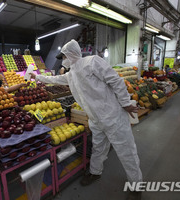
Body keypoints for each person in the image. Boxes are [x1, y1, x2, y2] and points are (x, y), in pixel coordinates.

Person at [30, 39, 142, 199]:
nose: (63, 61)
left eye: (63, 57)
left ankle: (136, 184)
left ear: (71, 54)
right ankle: (95, 172)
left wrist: (125, 103)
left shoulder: (92, 62)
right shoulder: (71, 75)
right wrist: (37, 77)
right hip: (96, 120)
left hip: (113, 116)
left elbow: (115, 80)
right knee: (98, 147)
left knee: (126, 151)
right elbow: (54, 80)